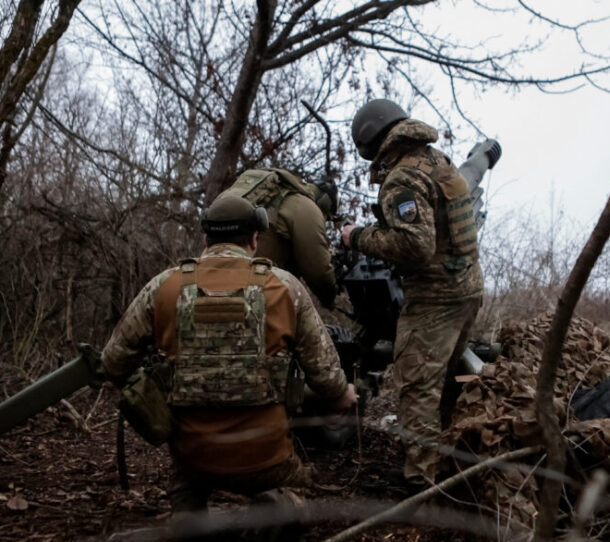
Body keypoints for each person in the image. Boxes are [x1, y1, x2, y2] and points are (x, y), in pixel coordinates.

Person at [101, 193, 357, 516]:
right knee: (300, 487)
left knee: (186, 475)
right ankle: (279, 505)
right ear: (254, 239)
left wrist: (148, 391)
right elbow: (326, 375)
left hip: (192, 456)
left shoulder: (164, 287)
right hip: (266, 458)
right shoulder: (285, 287)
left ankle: (188, 506)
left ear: (206, 238)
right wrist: (343, 393)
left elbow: (112, 363)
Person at [342, 99, 483, 485]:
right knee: (449, 379)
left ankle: (423, 481)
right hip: (466, 287)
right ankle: (454, 462)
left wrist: (358, 236)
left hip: (434, 297)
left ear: (371, 142)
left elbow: (416, 246)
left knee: (417, 386)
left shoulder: (402, 178)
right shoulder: (436, 161)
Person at [246, 168, 339, 309]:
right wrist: (330, 298)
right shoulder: (306, 207)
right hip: (258, 293)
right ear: (325, 204)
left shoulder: (274, 195)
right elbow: (319, 271)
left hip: (219, 277)